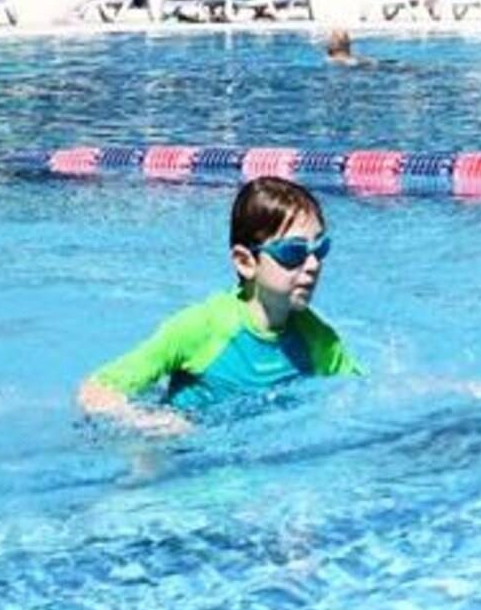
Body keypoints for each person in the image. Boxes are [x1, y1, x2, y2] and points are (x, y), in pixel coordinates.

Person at [78, 177, 359, 434]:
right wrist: (155, 423)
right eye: (293, 252)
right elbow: (95, 391)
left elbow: (359, 395)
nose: (313, 265)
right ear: (245, 262)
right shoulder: (201, 329)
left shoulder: (319, 340)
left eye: (320, 249)